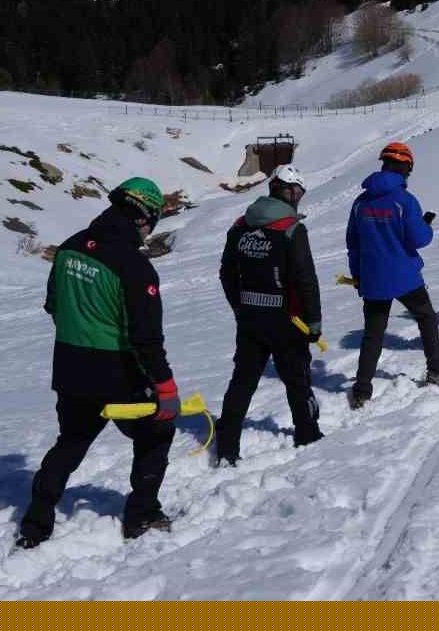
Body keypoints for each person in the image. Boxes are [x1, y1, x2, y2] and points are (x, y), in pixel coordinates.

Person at [18, 179, 177, 548]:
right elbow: (146, 339)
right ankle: (142, 515)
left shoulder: (72, 247)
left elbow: (53, 305)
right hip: (118, 372)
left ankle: (36, 522)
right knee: (156, 435)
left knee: (70, 442)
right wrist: (165, 385)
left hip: (69, 365)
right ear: (143, 216)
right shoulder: (134, 267)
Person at [214, 166, 324, 463]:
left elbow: (226, 273)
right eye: (298, 192)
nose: (299, 197)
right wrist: (314, 321)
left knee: (243, 380)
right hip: (288, 319)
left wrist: (239, 307)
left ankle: (226, 447)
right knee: (297, 379)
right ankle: (307, 434)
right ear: (288, 192)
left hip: (250, 317)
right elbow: (306, 279)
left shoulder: (240, 226)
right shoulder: (292, 229)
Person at [345, 143, 439, 412]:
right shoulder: (405, 200)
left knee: (373, 334)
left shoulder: (361, 202)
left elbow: (353, 243)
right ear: (407, 167)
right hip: (405, 275)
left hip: (372, 278)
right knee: (426, 318)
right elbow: (419, 238)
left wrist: (358, 276)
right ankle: (436, 370)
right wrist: (426, 227)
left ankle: (361, 391)